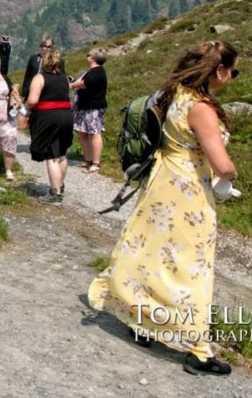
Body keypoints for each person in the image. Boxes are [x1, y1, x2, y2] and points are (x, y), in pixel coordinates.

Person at [88, 41, 240, 377]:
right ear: (218, 70)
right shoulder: (200, 107)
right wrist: (231, 174)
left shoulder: (173, 94)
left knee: (152, 254)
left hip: (161, 183)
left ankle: (142, 322)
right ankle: (198, 350)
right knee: (192, 265)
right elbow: (220, 162)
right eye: (233, 70)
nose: (232, 76)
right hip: (188, 191)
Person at [25, 48, 73, 204]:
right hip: (66, 115)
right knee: (62, 152)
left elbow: (32, 101)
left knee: (51, 155)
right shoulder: (65, 78)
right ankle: (60, 184)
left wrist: (25, 107)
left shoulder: (40, 78)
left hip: (48, 117)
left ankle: (55, 194)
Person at [70, 48, 108, 172]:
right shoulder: (91, 70)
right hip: (84, 106)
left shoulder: (98, 71)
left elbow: (86, 83)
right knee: (83, 133)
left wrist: (71, 85)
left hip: (94, 107)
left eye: (88, 54)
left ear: (92, 58)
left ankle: (96, 163)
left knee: (94, 133)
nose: (87, 56)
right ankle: (88, 159)